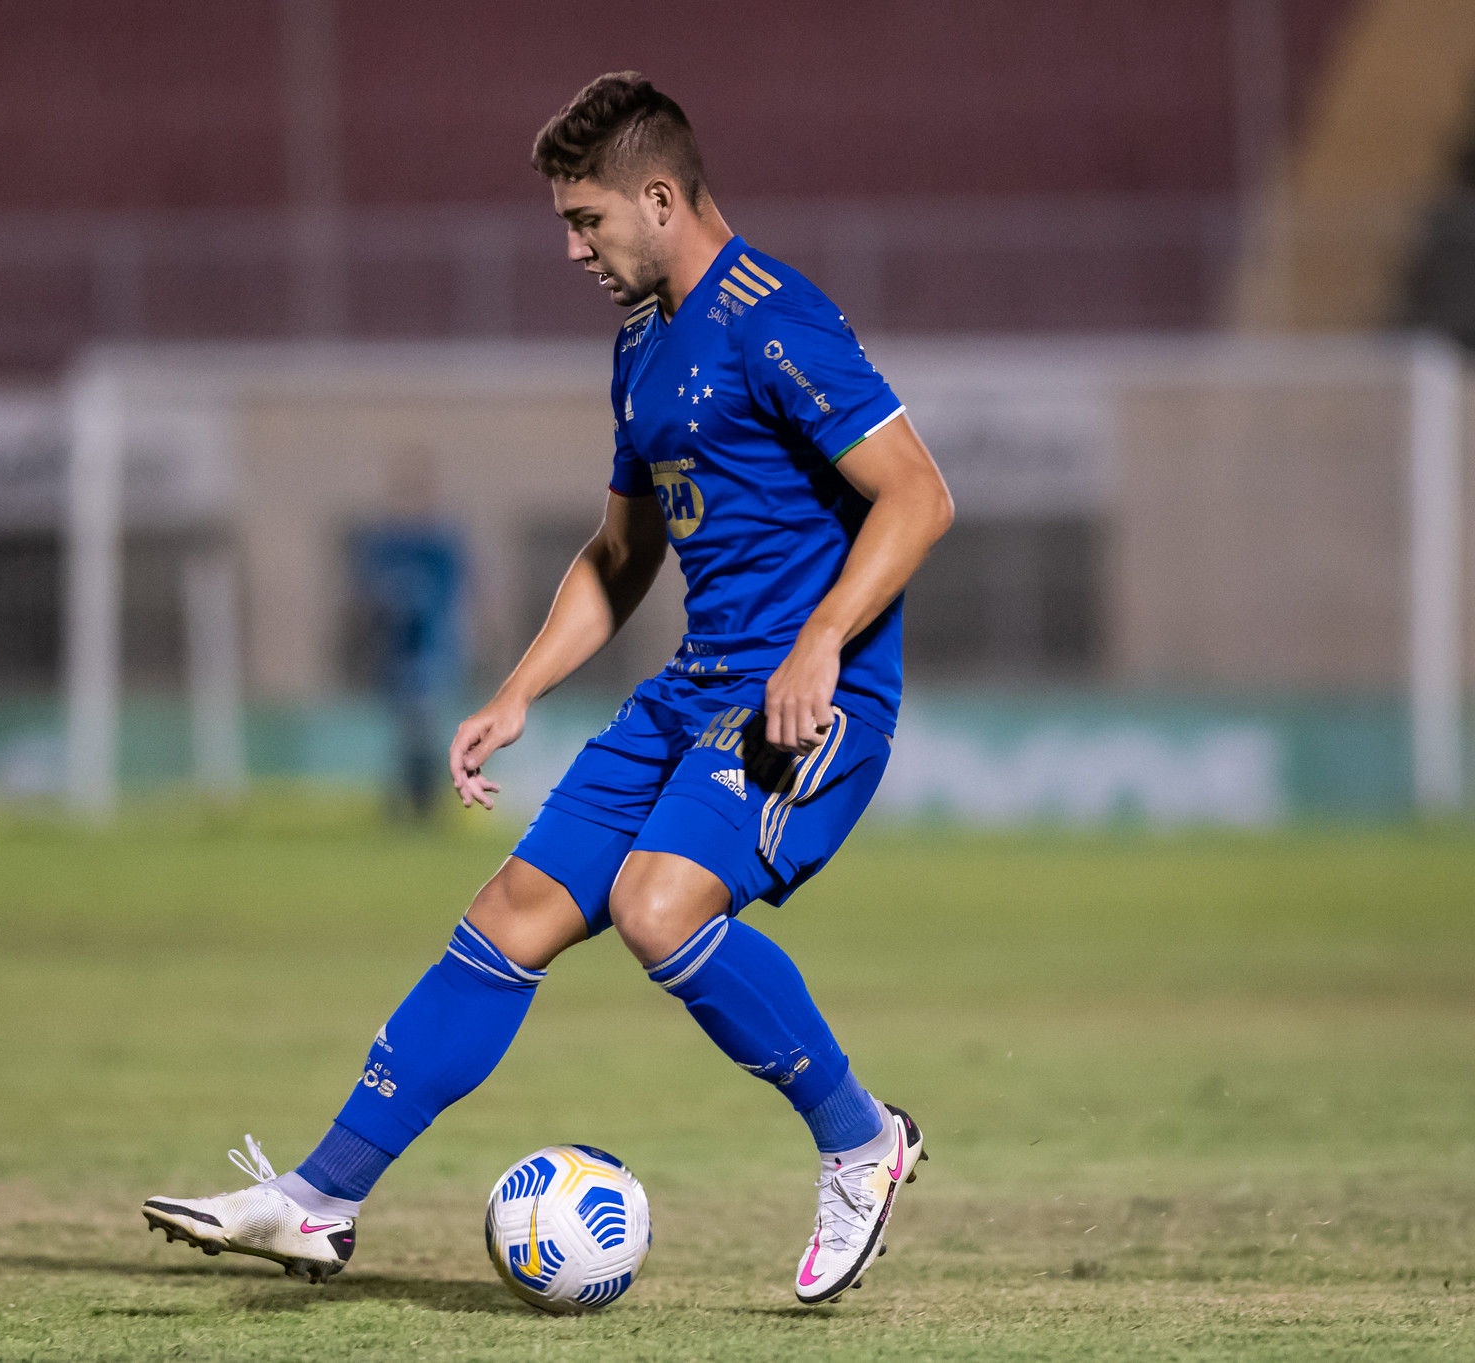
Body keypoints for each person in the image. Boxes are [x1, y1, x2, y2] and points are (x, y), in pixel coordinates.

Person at [142, 72, 955, 1305]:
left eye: (587, 220)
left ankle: (859, 1142)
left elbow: (919, 494)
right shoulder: (638, 346)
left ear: (661, 197)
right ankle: (317, 1200)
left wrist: (822, 640)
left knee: (655, 905)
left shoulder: (774, 319)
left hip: (807, 701)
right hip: (694, 690)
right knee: (513, 909)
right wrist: (516, 688)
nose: (571, 245)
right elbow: (619, 554)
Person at [349, 451, 467, 820]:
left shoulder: (442, 543)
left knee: (427, 728)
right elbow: (366, 597)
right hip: (394, 654)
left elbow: (459, 599)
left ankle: (428, 805)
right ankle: (405, 804)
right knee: (404, 733)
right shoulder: (383, 544)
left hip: (433, 652)